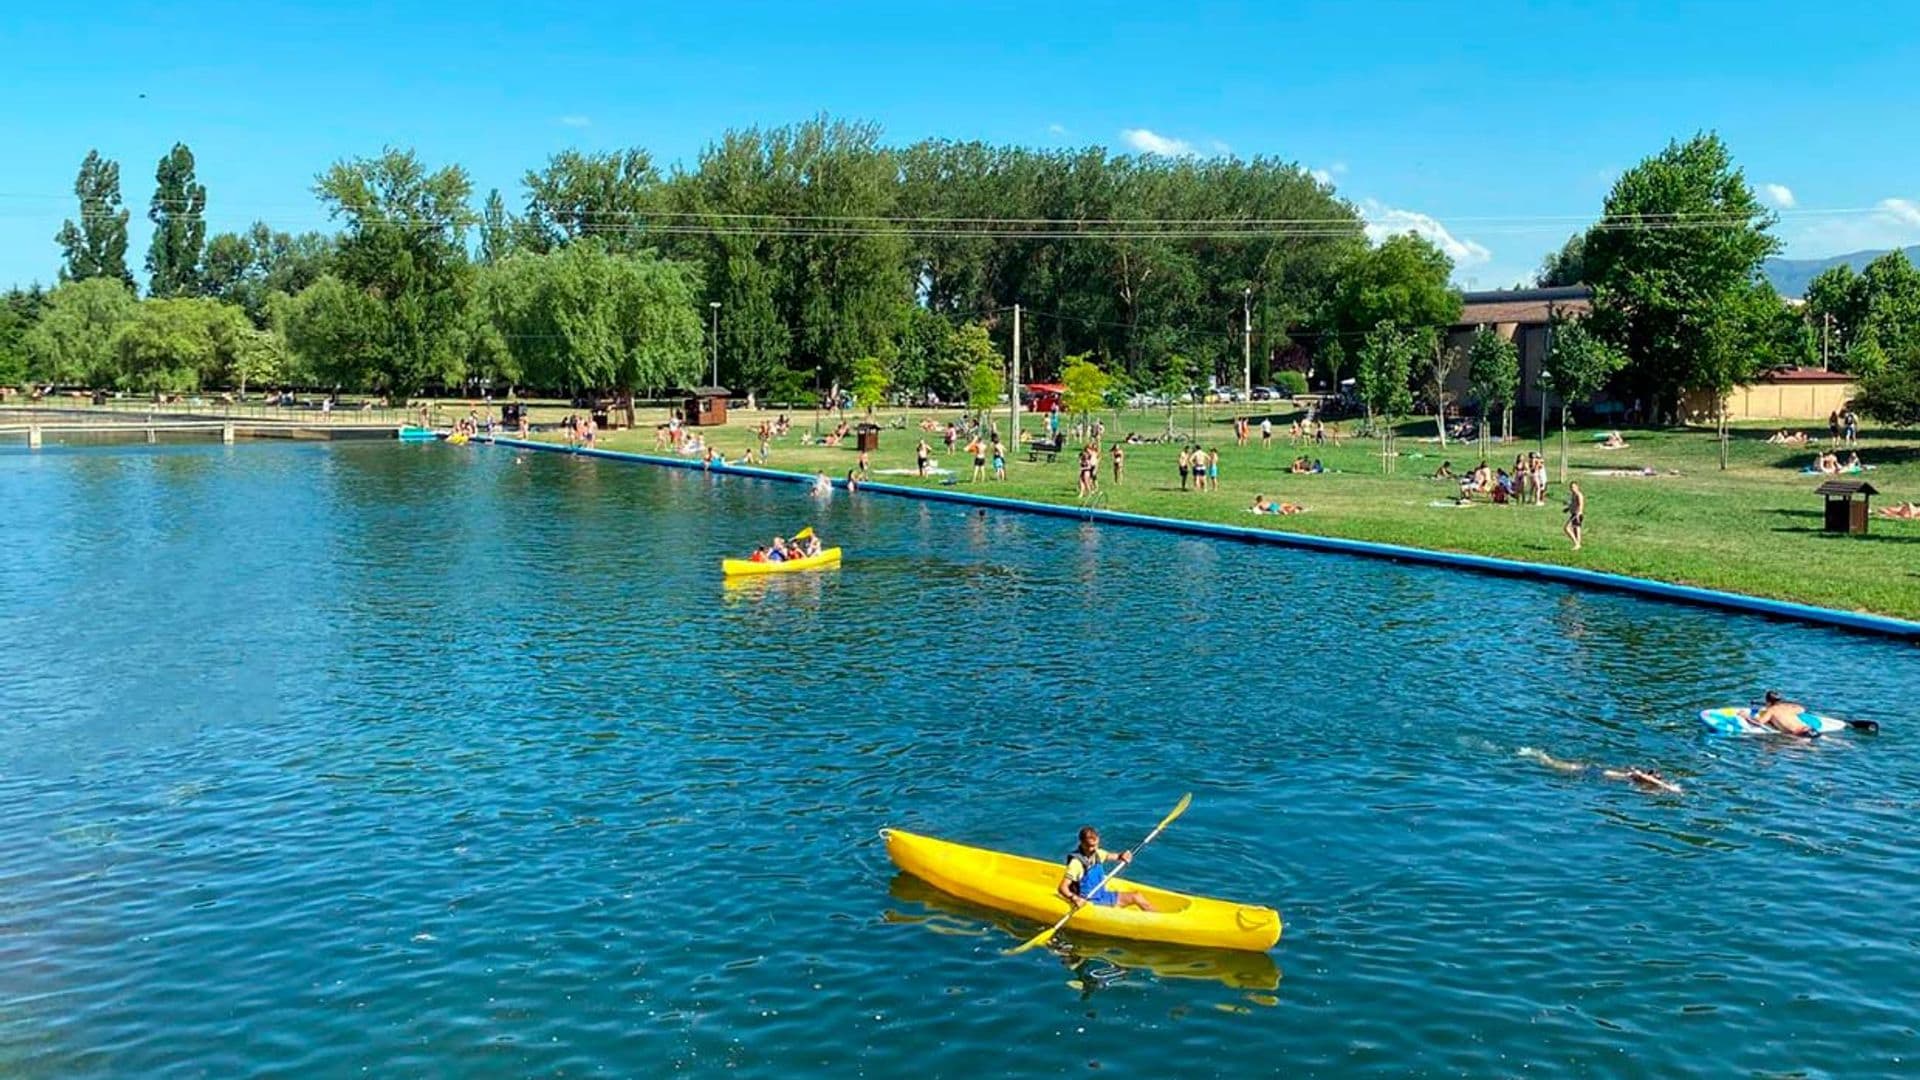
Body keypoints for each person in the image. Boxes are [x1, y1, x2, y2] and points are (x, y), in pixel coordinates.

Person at [1057, 826, 1154, 911]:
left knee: (1136, 896)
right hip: (1088, 902)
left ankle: (1157, 919)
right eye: (1089, 846)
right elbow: (1062, 888)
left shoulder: (1098, 853)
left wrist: (1122, 856)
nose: (1092, 849)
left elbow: (1113, 856)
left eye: (1094, 845)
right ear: (1082, 843)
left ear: (1098, 840)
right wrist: (1074, 898)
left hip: (1102, 895)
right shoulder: (1076, 864)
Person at [1518, 748, 1683, 794]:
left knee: (1558, 767)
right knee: (1554, 766)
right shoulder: (1636, 777)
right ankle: (1537, 754)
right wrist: (1670, 788)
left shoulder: (1636, 779)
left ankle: (1538, 755)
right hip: (1593, 773)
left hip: (1596, 772)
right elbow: (1654, 783)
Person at [1749, 690, 1818, 738]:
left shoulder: (1771, 710)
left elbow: (1758, 723)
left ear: (1768, 701)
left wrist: (1745, 716)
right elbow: (1802, 709)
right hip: (1811, 729)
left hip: (1800, 734)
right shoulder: (1788, 708)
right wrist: (1786, 705)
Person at [1564, 481, 1585, 550]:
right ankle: (1578, 545)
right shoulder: (1573, 495)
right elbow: (1573, 504)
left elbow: (1580, 505)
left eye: (1573, 487)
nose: (1572, 489)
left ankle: (1576, 543)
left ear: (1577, 487)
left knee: (1566, 528)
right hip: (1573, 513)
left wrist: (1578, 514)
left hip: (1577, 514)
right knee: (1576, 530)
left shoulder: (1579, 495)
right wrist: (1568, 508)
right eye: (1571, 487)